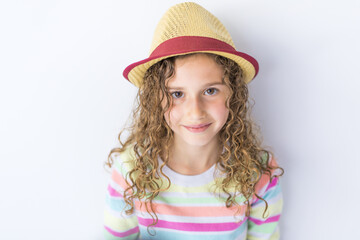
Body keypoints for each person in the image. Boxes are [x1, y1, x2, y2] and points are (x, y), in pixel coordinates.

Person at [104, 2, 284, 240]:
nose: (195, 112)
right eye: (177, 94)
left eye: (210, 91)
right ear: (154, 99)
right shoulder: (131, 172)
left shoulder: (258, 174)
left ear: (234, 93)